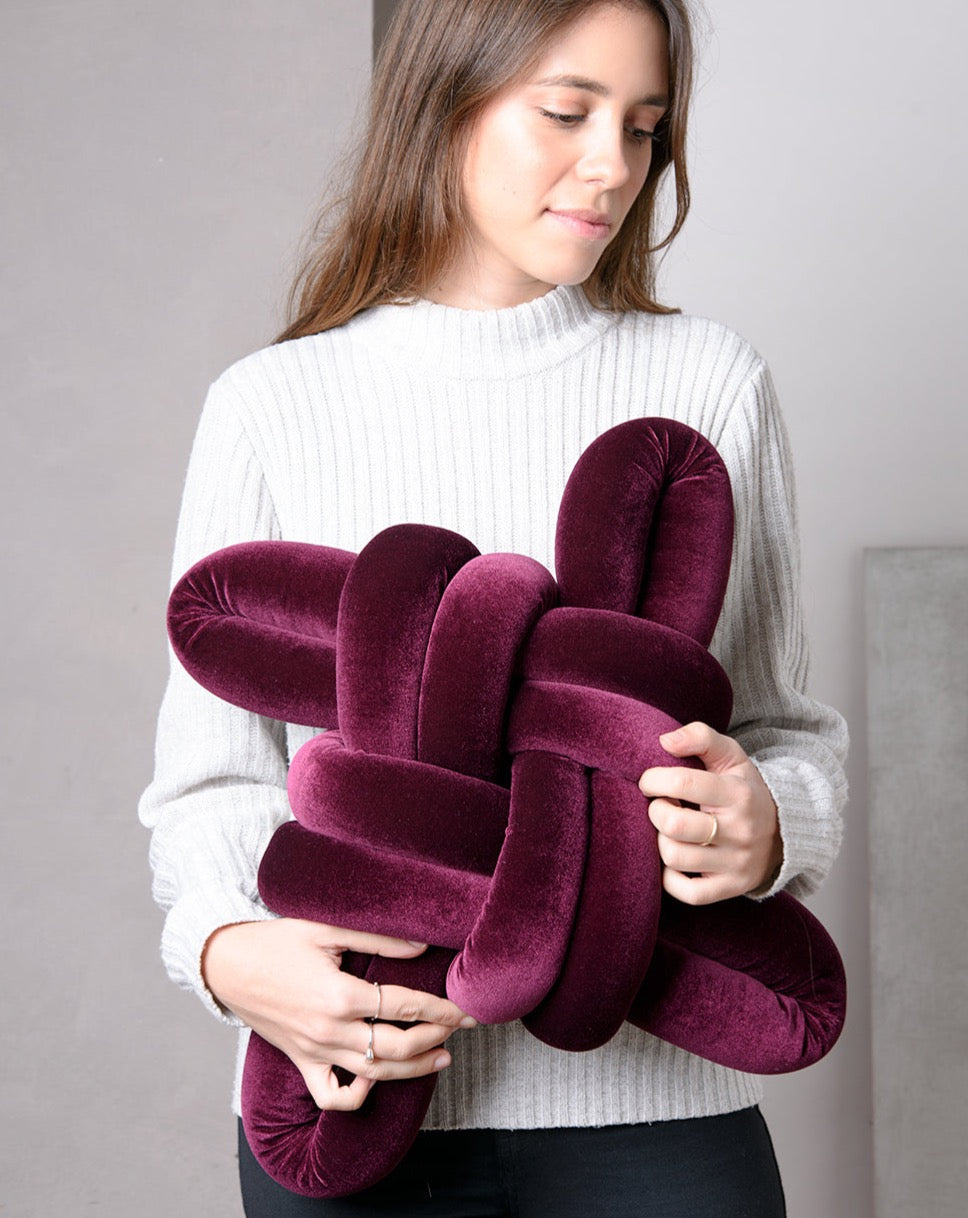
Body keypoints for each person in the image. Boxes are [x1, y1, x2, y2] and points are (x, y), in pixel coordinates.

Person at [139, 1, 848, 1214]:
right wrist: (224, 951)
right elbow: (211, 781)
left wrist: (768, 822)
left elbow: (781, 731)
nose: (610, 165)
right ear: (443, 103)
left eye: (643, 127)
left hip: (658, 1125)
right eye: (566, 113)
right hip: (354, 1094)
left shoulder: (707, 386)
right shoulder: (271, 405)